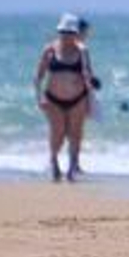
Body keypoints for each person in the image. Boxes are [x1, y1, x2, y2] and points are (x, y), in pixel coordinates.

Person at [34, 13, 99, 181]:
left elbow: (87, 72)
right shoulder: (49, 50)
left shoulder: (82, 51)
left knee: (75, 134)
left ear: (75, 34)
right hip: (53, 99)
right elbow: (38, 76)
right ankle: (54, 161)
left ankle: (71, 169)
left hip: (78, 98)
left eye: (70, 33)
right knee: (58, 133)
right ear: (59, 32)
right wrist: (39, 97)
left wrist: (92, 82)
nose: (67, 37)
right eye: (63, 33)